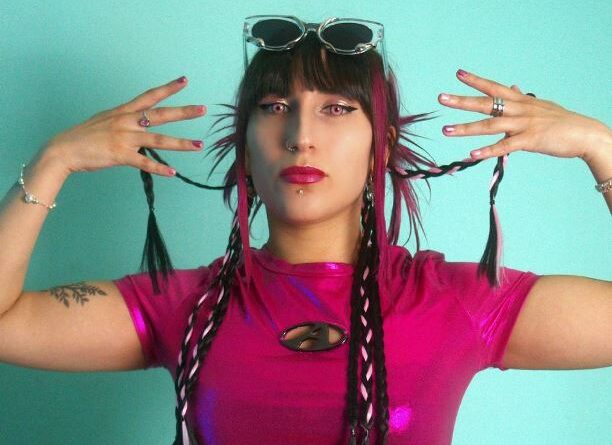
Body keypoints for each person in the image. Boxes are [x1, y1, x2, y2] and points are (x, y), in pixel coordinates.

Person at [0, 15, 610, 445]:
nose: (301, 136)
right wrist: (54, 162)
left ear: (381, 144)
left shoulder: (454, 300)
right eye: (274, 108)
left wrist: (599, 145)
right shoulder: (188, 305)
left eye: (337, 108)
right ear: (245, 144)